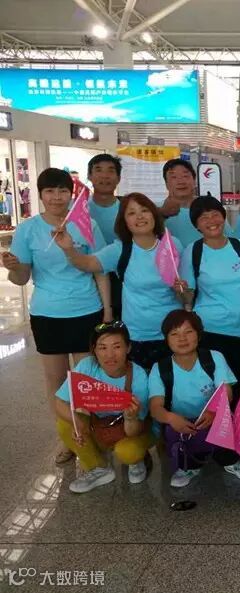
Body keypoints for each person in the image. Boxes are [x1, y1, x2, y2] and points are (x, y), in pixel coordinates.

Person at [3, 168, 110, 466]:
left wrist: (108, 310)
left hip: (86, 309)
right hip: (47, 313)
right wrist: (13, 267)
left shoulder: (86, 224)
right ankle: (67, 437)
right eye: (49, 191)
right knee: (56, 380)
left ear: (71, 194)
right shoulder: (28, 229)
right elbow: (22, 278)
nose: (56, 197)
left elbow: (100, 268)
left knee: (85, 378)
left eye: (62, 190)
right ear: (40, 194)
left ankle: (91, 434)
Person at [55, 193, 183, 371]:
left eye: (144, 210)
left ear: (154, 215)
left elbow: (185, 289)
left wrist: (183, 291)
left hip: (174, 334)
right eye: (131, 213)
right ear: (125, 221)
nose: (139, 216)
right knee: (139, 385)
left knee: (171, 385)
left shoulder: (172, 244)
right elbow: (87, 264)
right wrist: (69, 249)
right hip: (137, 336)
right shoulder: (120, 249)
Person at [148, 310, 240, 488]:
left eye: (188, 332)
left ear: (199, 335)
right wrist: (171, 418)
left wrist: (214, 411)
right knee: (172, 431)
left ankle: (229, 460)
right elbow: (155, 407)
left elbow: (226, 391)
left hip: (213, 416)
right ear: (166, 339)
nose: (182, 339)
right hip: (183, 422)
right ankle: (188, 467)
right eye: (174, 334)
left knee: (227, 420)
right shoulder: (160, 368)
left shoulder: (214, 357)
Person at [53, 321, 153, 493]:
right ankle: (99, 468)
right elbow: (60, 402)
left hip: (130, 429)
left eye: (117, 346)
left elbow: (136, 429)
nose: (110, 355)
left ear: (128, 348)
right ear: (94, 350)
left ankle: (137, 461)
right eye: (102, 348)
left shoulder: (138, 375)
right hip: (100, 425)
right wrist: (78, 424)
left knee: (129, 452)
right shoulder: (87, 366)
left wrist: (131, 417)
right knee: (65, 425)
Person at [178, 195, 240, 383]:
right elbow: (188, 297)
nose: (211, 221)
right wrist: (181, 290)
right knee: (216, 385)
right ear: (196, 225)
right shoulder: (193, 252)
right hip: (209, 331)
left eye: (215, 214)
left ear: (223, 217)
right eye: (204, 218)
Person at [159, 159, 231, 246]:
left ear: (194, 180)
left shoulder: (210, 207)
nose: (181, 181)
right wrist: (162, 214)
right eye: (174, 177)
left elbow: (229, 239)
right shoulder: (155, 210)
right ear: (166, 183)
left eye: (185, 176)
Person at [87, 154, 123, 245]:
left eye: (111, 171)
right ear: (89, 176)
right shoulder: (79, 209)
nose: (104, 176)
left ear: (119, 178)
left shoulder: (127, 211)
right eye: (98, 170)